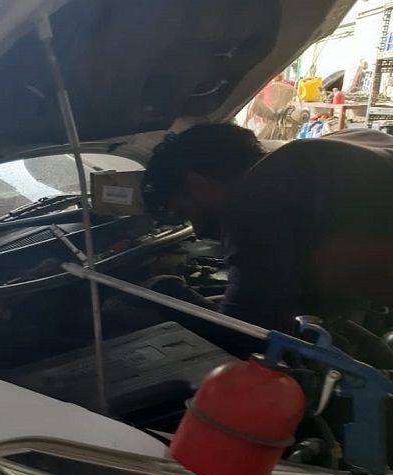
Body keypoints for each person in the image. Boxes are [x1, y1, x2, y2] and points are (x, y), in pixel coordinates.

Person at [142, 123, 393, 335]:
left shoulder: (253, 199)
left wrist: (166, 289)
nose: (197, 232)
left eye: (187, 213)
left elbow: (246, 333)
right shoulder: (337, 145)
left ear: (197, 183)